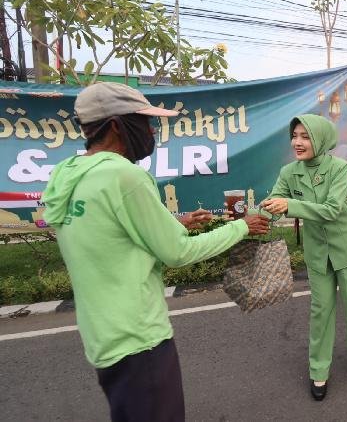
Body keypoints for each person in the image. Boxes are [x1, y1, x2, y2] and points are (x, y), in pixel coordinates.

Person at [42, 82, 270, 422]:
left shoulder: (68, 175)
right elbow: (178, 253)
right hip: (140, 340)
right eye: (144, 122)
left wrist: (173, 221)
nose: (151, 132)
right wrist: (242, 227)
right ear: (116, 125)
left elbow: (109, 233)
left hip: (102, 338)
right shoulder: (124, 176)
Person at [261, 114, 347, 401]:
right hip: (318, 253)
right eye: (294, 136)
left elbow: (332, 210)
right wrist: (249, 216)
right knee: (320, 312)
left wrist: (289, 205)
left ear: (321, 138)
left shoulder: (339, 168)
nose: (297, 142)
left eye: (305, 136)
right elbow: (274, 203)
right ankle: (319, 369)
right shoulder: (289, 172)